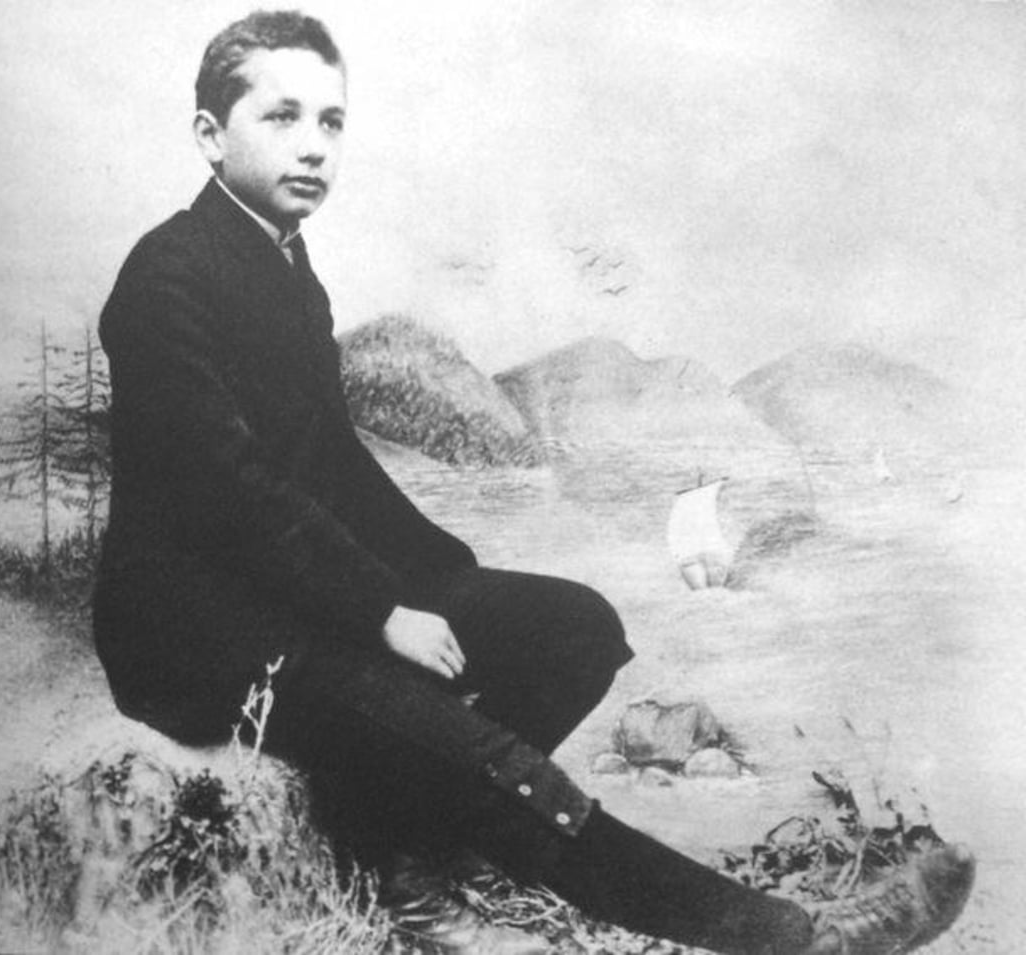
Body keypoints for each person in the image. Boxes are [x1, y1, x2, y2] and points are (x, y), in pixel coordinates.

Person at [93, 11, 974, 954]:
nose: (313, 147)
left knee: (573, 629)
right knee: (490, 760)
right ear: (208, 134)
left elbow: (331, 465)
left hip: (289, 595)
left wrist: (447, 584)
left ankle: (413, 851)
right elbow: (233, 491)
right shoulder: (164, 277)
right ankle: (793, 937)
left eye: (332, 122)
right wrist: (384, 614)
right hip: (198, 632)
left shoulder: (291, 272)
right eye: (281, 117)